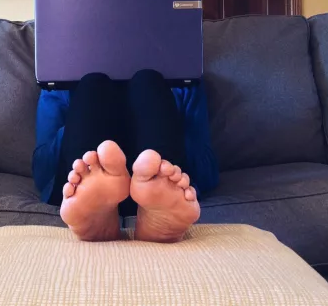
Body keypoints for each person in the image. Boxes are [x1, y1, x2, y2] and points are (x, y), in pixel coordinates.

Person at [33, 69, 218, 243]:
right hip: (83, 185)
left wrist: (170, 126)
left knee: (148, 81)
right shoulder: (59, 75)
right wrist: (78, 124)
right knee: (93, 85)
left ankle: (155, 201)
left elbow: (206, 170)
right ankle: (96, 209)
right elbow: (43, 169)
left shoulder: (183, 73)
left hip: (159, 185)